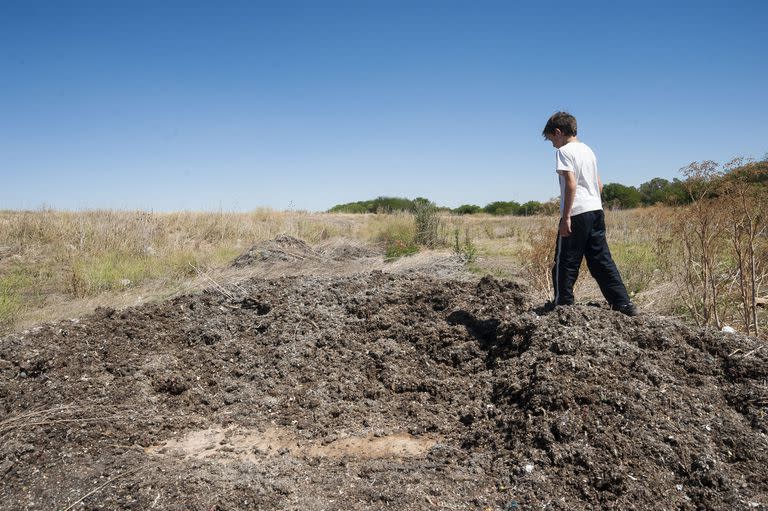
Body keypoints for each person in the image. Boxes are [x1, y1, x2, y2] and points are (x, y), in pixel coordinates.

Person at [542, 111, 637, 316]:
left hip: (576, 213)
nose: (552, 145)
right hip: (596, 211)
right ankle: (624, 304)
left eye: (551, 139)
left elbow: (571, 184)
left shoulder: (564, 152)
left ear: (558, 132)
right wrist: (591, 201)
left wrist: (566, 217)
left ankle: (563, 305)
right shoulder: (588, 151)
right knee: (601, 260)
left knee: (566, 261)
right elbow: (599, 185)